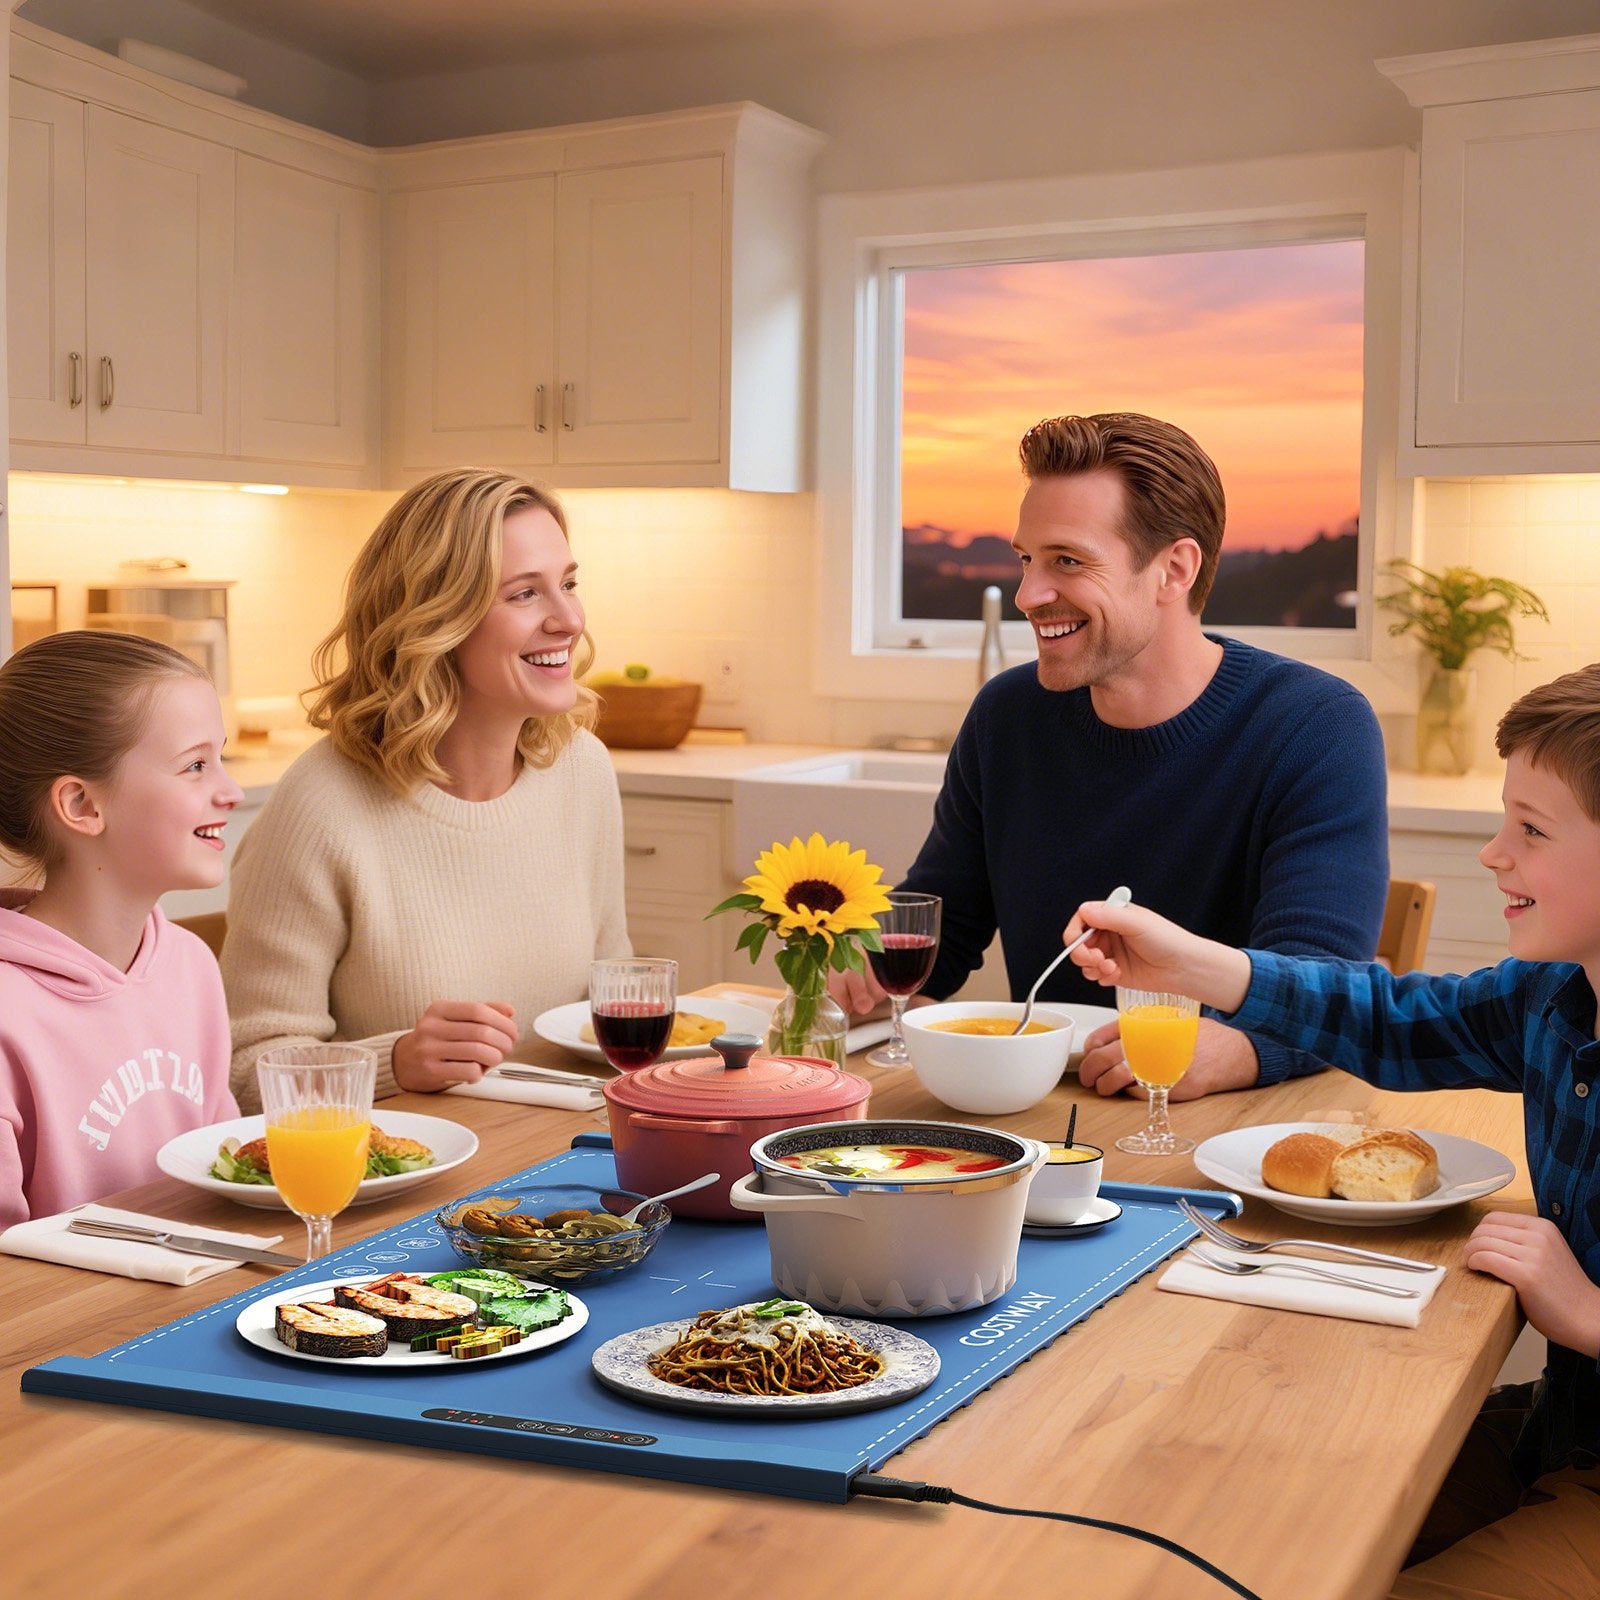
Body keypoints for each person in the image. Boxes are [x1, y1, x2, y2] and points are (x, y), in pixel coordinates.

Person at [1062, 662, 1600, 1598]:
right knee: (1245, 1532)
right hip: (1555, 1433)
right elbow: (1391, 1020)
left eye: (1531, 830)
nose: (1493, 853)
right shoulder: (1552, 995)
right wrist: (1198, 966)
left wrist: (1591, 1313)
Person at [834, 411, 1389, 1098]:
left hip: (1234, 1126)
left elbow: (1324, 984)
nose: (1028, 595)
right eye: (1026, 560)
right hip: (1044, 1116)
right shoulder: (1008, 716)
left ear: (1173, 570)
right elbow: (941, 931)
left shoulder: (1314, 725)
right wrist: (859, 966)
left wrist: (1235, 1051)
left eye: (1067, 560)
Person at [222, 468, 629, 1112]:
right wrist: (396, 1062)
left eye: (569, 585)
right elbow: (243, 1073)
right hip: (403, 1186)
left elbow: (609, 1005)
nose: (570, 619)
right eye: (525, 595)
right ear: (437, 619)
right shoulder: (323, 802)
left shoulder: (582, 769)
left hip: (558, 1160)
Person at [0, 631, 243, 1227]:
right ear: (82, 805)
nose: (231, 791)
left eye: (222, 757)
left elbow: (232, 1172)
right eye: (195, 765)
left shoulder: (189, 963)